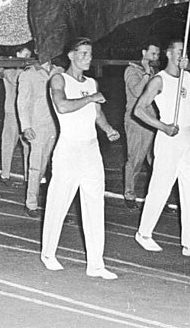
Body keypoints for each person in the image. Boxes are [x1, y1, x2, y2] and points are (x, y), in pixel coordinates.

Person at [40, 37, 120, 279]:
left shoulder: (92, 82)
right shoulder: (58, 79)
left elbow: (97, 114)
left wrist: (107, 129)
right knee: (59, 202)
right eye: (83, 54)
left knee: (95, 204)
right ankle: (48, 253)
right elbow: (62, 106)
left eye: (90, 54)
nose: (88, 58)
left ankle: (96, 264)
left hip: (91, 150)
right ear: (71, 55)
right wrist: (90, 98)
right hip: (68, 149)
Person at [134, 39, 190, 259]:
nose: (183, 54)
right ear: (169, 54)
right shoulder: (159, 80)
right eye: (180, 51)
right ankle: (144, 234)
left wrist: (189, 66)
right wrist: (163, 126)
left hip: (189, 138)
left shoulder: (187, 77)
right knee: (160, 188)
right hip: (169, 138)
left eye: (185, 51)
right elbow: (139, 110)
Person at [17, 54, 61, 217]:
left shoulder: (59, 71)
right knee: (37, 167)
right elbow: (23, 102)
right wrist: (26, 126)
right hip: (38, 127)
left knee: (57, 166)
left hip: (56, 125)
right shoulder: (28, 74)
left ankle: (55, 204)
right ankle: (31, 203)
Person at [123, 41, 160, 209]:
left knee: (156, 159)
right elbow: (137, 92)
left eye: (158, 54)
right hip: (137, 121)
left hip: (153, 120)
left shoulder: (155, 72)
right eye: (153, 54)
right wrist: (146, 73)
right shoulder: (131, 70)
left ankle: (157, 196)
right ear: (144, 52)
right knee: (136, 159)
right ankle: (129, 194)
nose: (155, 57)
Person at [0, 45, 31, 184]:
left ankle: (29, 176)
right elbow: (17, 79)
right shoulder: (9, 69)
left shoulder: (27, 70)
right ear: (17, 54)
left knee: (28, 144)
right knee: (8, 143)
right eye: (25, 55)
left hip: (26, 112)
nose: (28, 59)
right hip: (12, 111)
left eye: (29, 56)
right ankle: (5, 174)